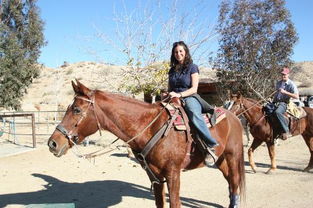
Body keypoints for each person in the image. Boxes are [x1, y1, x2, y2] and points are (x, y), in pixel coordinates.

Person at [165, 41, 219, 166]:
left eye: (180, 51)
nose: (178, 54)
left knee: (194, 113)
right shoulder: (171, 70)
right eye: (176, 52)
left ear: (185, 52)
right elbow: (169, 88)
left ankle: (210, 144)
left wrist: (179, 95)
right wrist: (167, 94)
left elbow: (194, 88)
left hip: (189, 97)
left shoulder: (192, 67)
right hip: (173, 98)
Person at [272, 67, 299, 140]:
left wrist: (285, 92)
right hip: (276, 102)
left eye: (285, 74)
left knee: (278, 112)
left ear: (288, 74)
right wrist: (272, 101)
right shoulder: (278, 83)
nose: (283, 76)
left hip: (285, 103)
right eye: (282, 74)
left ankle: (286, 130)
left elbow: (296, 96)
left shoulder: (291, 84)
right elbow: (276, 94)